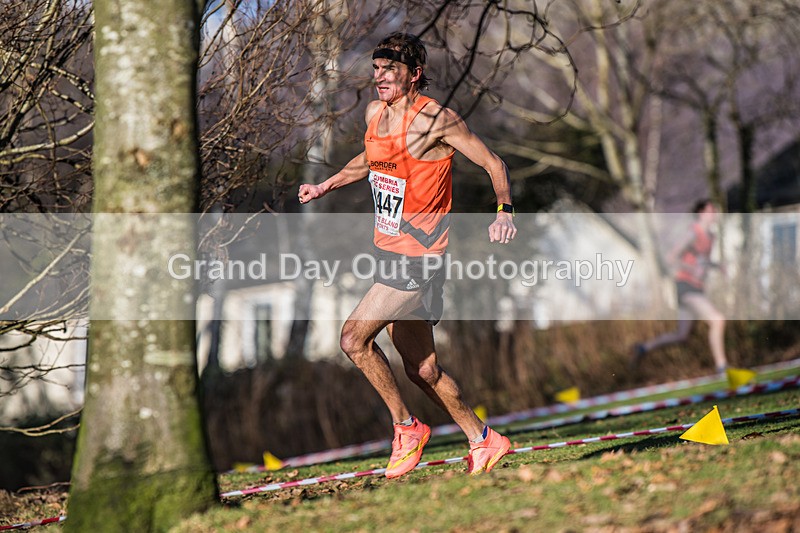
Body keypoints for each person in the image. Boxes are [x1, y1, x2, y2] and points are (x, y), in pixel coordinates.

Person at [298, 33, 515, 478]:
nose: (379, 77)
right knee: (424, 369)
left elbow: (494, 163)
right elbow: (370, 159)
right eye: (376, 69)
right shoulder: (375, 113)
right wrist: (326, 185)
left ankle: (407, 427)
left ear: (414, 74)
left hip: (420, 258)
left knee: (353, 339)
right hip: (388, 252)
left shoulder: (437, 121)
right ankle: (484, 440)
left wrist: (503, 211)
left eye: (389, 70)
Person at [632, 199, 728, 373]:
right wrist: (692, 268)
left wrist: (716, 266)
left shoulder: (711, 236)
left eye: (715, 211)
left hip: (697, 287)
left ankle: (643, 347)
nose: (714, 214)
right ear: (701, 213)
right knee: (717, 320)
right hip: (686, 286)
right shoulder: (693, 233)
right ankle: (722, 366)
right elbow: (671, 258)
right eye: (711, 211)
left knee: (682, 335)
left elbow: (702, 260)